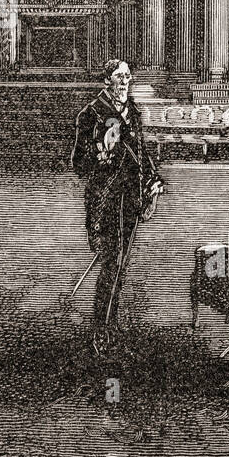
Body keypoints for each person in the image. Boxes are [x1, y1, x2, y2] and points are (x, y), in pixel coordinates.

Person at [71, 60, 163, 356]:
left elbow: (140, 151)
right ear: (106, 80)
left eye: (127, 75)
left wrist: (154, 178)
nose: (124, 80)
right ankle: (101, 330)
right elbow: (78, 163)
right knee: (112, 262)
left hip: (132, 198)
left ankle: (110, 325)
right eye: (118, 76)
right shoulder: (92, 113)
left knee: (120, 264)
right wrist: (100, 160)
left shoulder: (132, 111)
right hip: (106, 198)